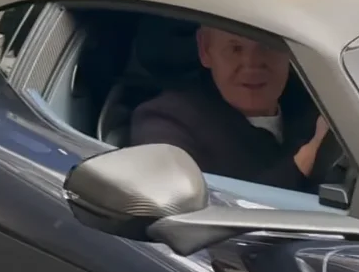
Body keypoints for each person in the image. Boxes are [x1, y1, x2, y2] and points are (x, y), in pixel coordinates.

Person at [128, 26, 330, 192]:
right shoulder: (166, 123)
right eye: (235, 49)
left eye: (268, 45)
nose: (252, 64)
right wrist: (304, 161)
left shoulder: (321, 102)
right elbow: (185, 216)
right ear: (206, 50)